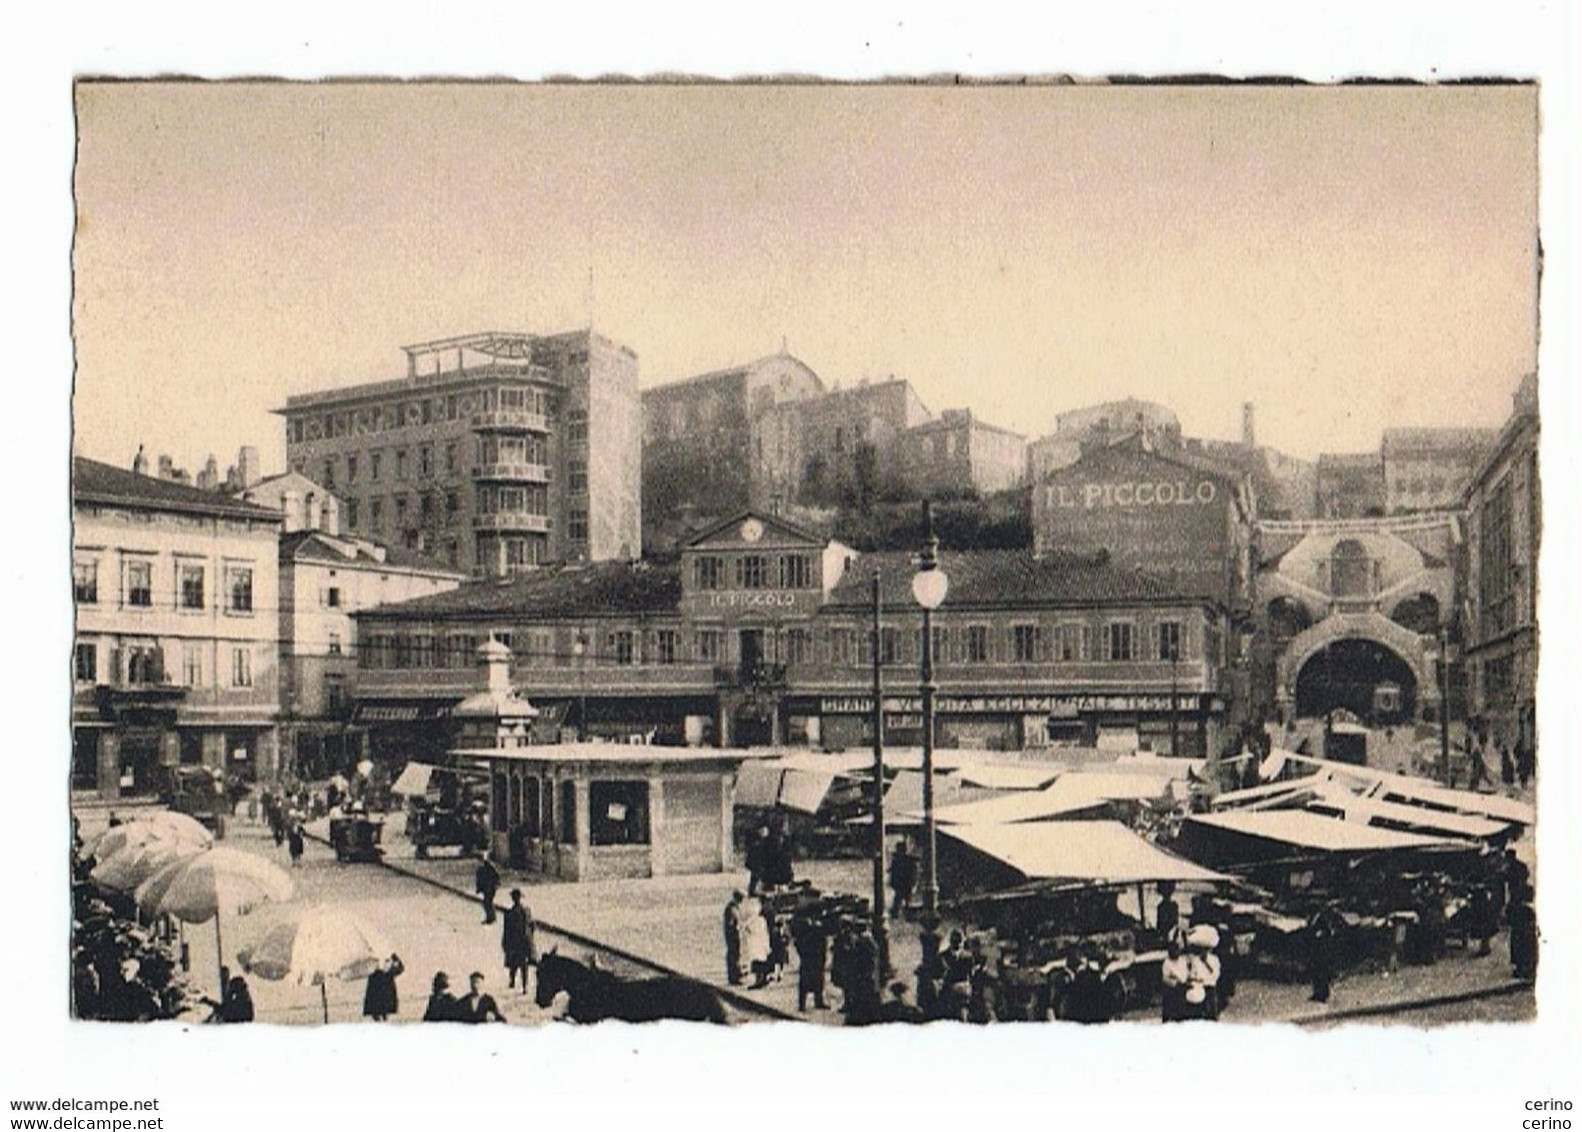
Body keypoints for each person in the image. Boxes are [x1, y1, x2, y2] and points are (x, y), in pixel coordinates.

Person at [790, 911, 828, 1011]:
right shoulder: (805, 928)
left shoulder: (817, 928)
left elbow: (823, 944)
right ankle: (803, 1004)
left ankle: (817, 1001)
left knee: (817, 980)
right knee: (806, 981)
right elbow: (798, 942)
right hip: (809, 958)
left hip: (814, 958)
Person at [1306, 904, 1344, 1004]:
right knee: (1316, 973)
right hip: (1315, 950)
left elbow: (1327, 932)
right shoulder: (1314, 919)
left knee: (1321, 973)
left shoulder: (1321, 919)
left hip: (1321, 950)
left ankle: (1322, 994)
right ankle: (1317, 993)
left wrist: (1319, 934)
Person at [502, 890, 537, 994]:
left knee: (519, 965)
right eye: (516, 898)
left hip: (519, 943)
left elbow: (531, 925)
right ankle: (516, 983)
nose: (517, 900)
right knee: (519, 965)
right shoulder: (521, 912)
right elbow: (532, 926)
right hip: (520, 942)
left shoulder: (513, 913)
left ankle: (522, 985)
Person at [1508, 884, 1538, 982]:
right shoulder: (1529, 910)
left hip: (1519, 934)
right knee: (1525, 951)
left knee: (1520, 951)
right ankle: (1526, 969)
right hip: (1524, 934)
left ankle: (1522, 968)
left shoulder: (1518, 907)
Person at [741, 896, 773, 989]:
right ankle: (762, 979)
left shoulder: (756, 920)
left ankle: (760, 980)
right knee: (760, 961)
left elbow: (751, 929)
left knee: (757, 962)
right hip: (761, 943)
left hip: (756, 944)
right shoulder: (761, 920)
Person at [363, 953, 404, 1021]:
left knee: (381, 1010)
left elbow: (399, 968)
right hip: (379, 979)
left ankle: (381, 1019)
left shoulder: (390, 953)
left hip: (381, 980)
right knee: (380, 1010)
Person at [889, 840, 918, 920]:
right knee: (900, 900)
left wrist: (913, 883)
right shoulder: (899, 860)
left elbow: (913, 873)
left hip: (905, 884)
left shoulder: (904, 861)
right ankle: (900, 915)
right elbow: (894, 873)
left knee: (903, 900)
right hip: (902, 884)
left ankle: (907, 915)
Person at [722, 890, 745, 986]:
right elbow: (731, 923)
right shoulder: (731, 909)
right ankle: (734, 976)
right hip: (732, 936)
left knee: (736, 954)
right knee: (733, 955)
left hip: (735, 935)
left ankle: (736, 974)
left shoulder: (734, 907)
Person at [475, 853, 501, 925]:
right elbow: (479, 879)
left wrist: (497, 884)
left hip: (490, 888)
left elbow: (496, 876)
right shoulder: (481, 868)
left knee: (487, 902)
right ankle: (491, 917)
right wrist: (479, 888)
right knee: (487, 902)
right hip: (486, 888)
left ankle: (491, 917)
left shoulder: (489, 866)